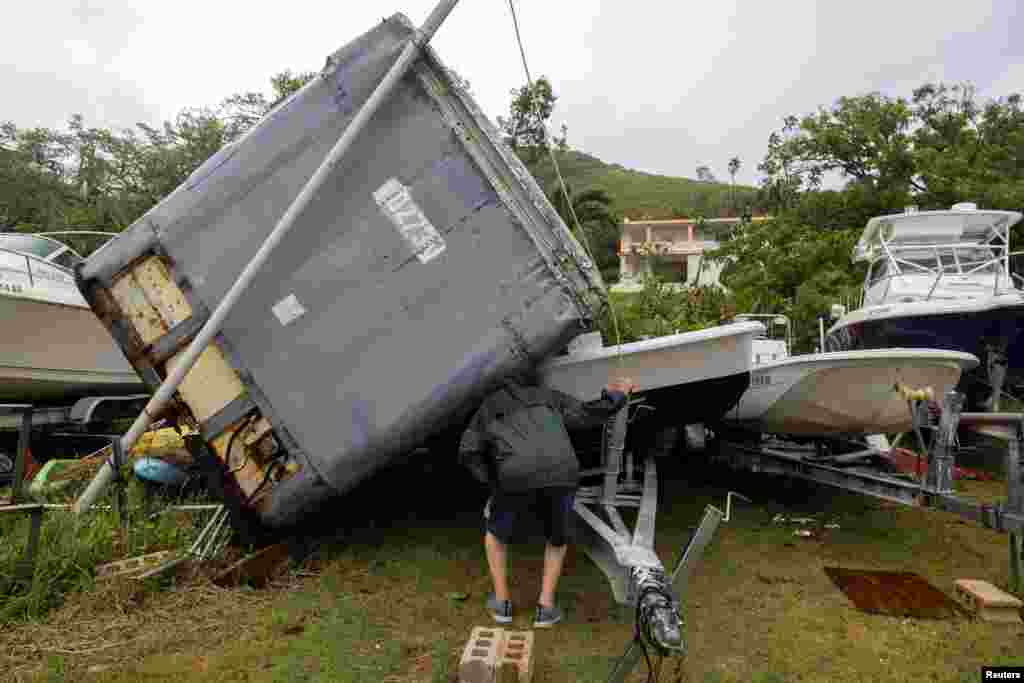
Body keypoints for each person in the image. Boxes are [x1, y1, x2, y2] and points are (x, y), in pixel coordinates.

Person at [458, 367, 637, 627]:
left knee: (496, 535)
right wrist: (617, 394)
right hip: (562, 472)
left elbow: (468, 451)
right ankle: (546, 607)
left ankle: (502, 603)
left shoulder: (488, 406)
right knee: (557, 539)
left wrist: (494, 480)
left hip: (515, 474)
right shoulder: (547, 395)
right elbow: (588, 414)